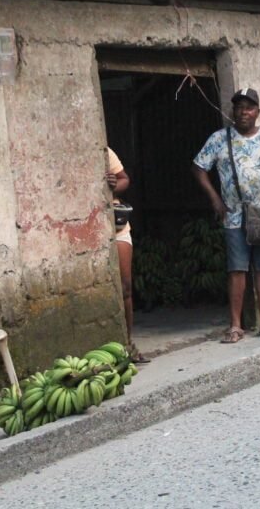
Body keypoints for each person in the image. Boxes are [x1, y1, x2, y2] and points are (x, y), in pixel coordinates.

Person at [192, 88, 260, 343]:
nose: (243, 112)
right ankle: (235, 325)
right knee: (236, 269)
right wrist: (215, 199)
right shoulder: (219, 139)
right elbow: (199, 168)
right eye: (238, 107)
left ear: (257, 112)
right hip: (233, 215)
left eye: (248, 107)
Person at [106, 147, 149, 363]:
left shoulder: (104, 152)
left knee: (125, 287)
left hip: (117, 225)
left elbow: (124, 179)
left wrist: (115, 186)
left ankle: (128, 343)